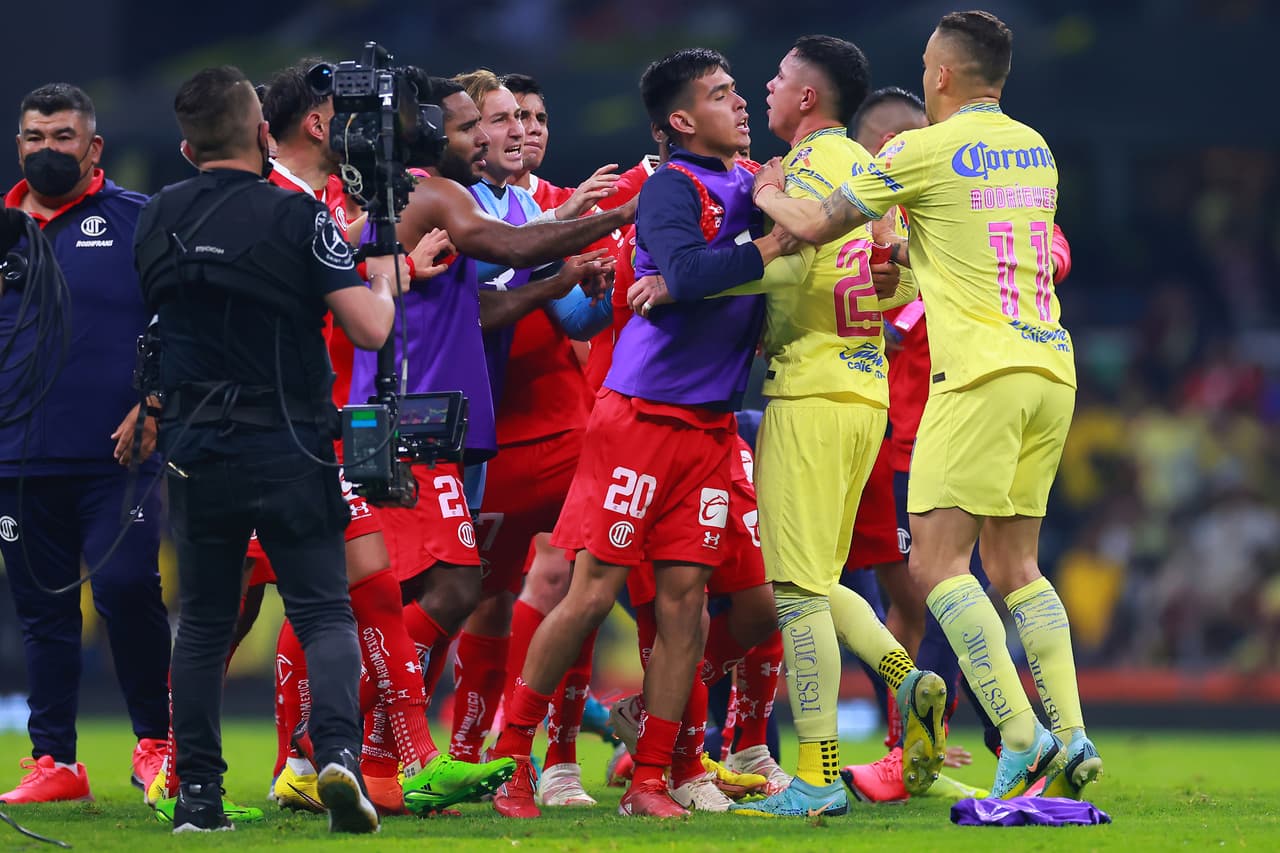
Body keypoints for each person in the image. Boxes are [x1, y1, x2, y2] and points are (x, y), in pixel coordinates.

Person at [751, 11, 1103, 800]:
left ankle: (1021, 732)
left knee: (935, 564)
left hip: (976, 375)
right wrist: (907, 257)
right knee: (1017, 566)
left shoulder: (918, 150)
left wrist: (769, 191)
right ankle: (1075, 733)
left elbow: (813, 224)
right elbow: (976, 241)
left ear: (940, 75)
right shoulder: (1035, 150)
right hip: (1050, 366)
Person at [631, 36, 947, 817]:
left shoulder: (799, 173)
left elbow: (789, 257)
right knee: (823, 578)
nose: (762, 91)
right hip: (868, 391)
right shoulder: (866, 172)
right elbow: (898, 269)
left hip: (807, 389)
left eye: (775, 80)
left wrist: (683, 284)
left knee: (796, 592)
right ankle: (910, 678)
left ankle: (815, 771)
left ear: (807, 99)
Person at [489, 47, 798, 820]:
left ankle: (652, 774)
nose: (740, 104)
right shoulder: (672, 184)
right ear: (682, 120)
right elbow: (688, 274)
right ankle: (511, 757)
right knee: (589, 592)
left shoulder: (747, 182)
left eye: (737, 91)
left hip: (711, 427)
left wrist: (767, 204)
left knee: (685, 603)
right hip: (640, 419)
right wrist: (763, 246)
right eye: (722, 95)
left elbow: (698, 277)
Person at [133, 65, 405, 833]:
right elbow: (369, 329)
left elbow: (155, 325)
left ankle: (197, 800)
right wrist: (380, 278)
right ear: (261, 132)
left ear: (187, 149)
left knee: (208, 623)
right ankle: (340, 760)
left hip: (195, 450)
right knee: (323, 612)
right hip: (288, 441)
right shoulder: (297, 216)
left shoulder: (154, 218)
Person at [0, 83, 171, 805]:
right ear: (19, 144)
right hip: (17, 457)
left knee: (128, 589)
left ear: (93, 147)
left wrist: (156, 404)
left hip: (119, 455)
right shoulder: (3, 230)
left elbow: (180, 323)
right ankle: (56, 761)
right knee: (40, 609)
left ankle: (158, 743)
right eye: (35, 137)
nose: (47, 149)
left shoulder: (139, 220)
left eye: (62, 137)